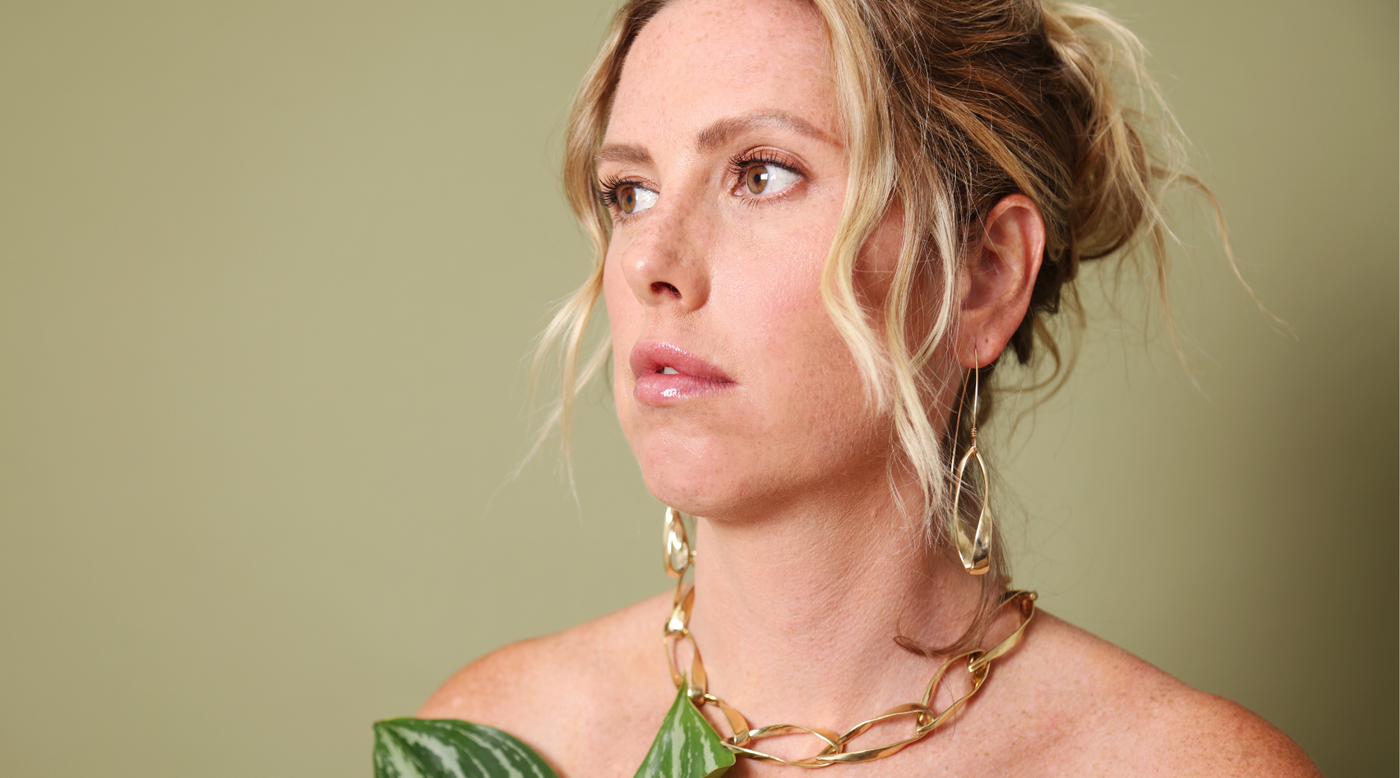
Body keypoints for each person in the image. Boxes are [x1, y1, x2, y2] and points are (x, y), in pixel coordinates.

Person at [417, 0, 1321, 774]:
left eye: (761, 174)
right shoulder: (505, 736)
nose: (651, 260)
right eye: (630, 191)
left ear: (984, 277)